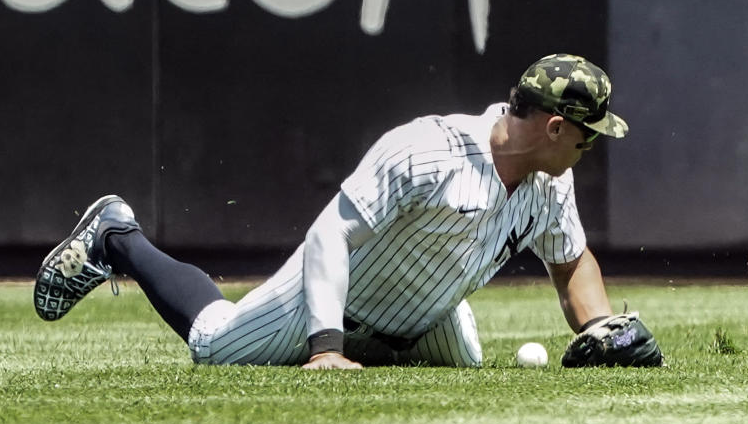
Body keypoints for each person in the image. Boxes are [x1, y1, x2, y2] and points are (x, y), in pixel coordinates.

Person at [35, 53, 656, 369]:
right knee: (211, 343)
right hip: (336, 294)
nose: (591, 145)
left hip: (424, 309)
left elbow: (571, 259)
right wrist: (326, 346)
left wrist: (599, 327)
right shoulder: (427, 149)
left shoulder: (551, 178)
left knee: (464, 367)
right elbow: (329, 232)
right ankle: (118, 237)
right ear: (554, 126)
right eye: (588, 133)